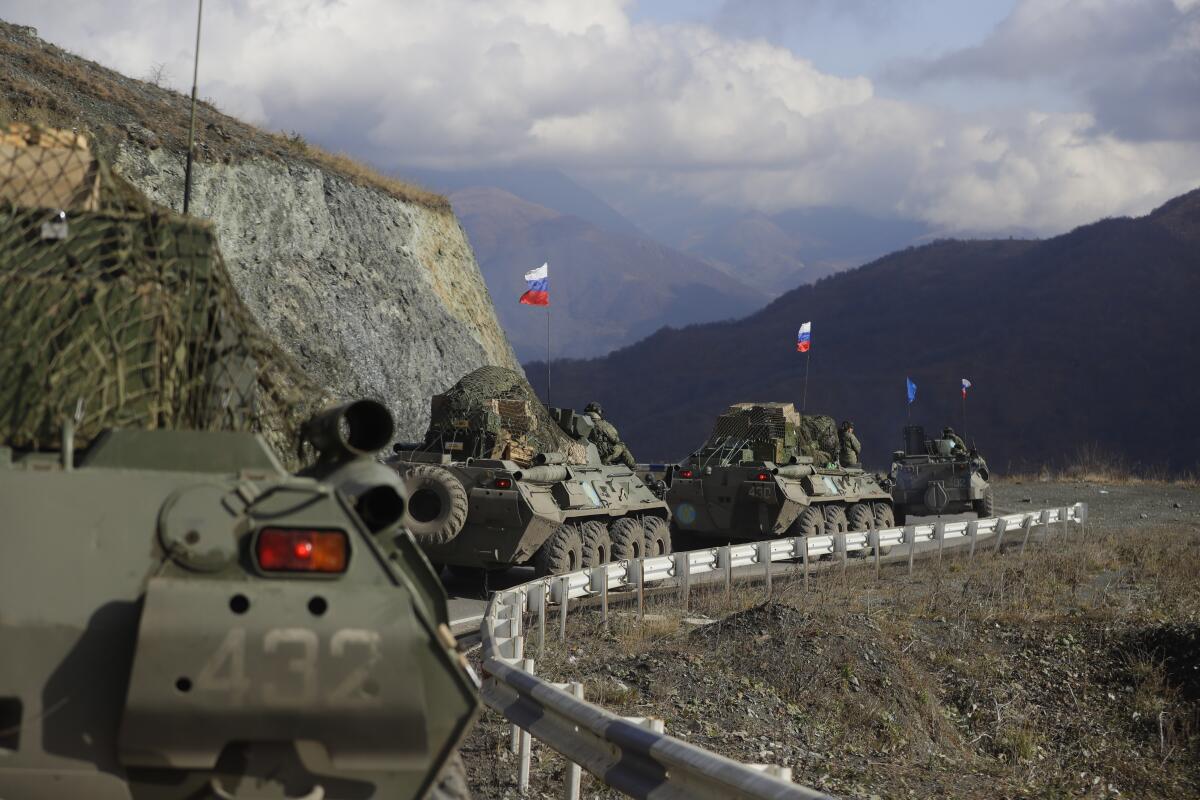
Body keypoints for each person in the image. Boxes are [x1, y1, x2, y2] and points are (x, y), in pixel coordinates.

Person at [583, 401, 637, 469]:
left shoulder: (581, 423)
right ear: (598, 411)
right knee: (622, 446)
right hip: (601, 458)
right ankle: (633, 468)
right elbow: (615, 439)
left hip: (584, 458)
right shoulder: (602, 425)